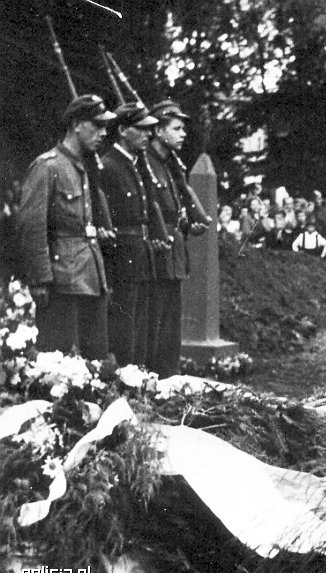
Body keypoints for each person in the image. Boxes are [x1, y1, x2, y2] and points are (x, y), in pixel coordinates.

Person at [18, 95, 117, 360]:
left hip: (90, 276)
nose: (103, 133)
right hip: (61, 281)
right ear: (76, 125)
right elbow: (32, 226)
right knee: (57, 364)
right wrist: (40, 279)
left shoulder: (83, 167)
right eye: (97, 125)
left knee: (95, 361)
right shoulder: (48, 167)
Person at [144, 100, 211, 378]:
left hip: (174, 254)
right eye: (176, 128)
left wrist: (186, 224)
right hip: (154, 253)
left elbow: (172, 209)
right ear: (158, 130)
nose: (183, 134)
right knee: (154, 324)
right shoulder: (145, 163)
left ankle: (168, 379)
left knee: (171, 327)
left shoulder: (171, 165)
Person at [99, 102, 162, 367]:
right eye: (142, 129)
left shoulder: (134, 165)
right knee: (124, 327)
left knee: (139, 327)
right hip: (121, 258)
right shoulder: (109, 166)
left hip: (139, 255)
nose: (149, 134)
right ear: (123, 130)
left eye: (150, 129)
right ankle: (125, 378)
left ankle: (137, 377)